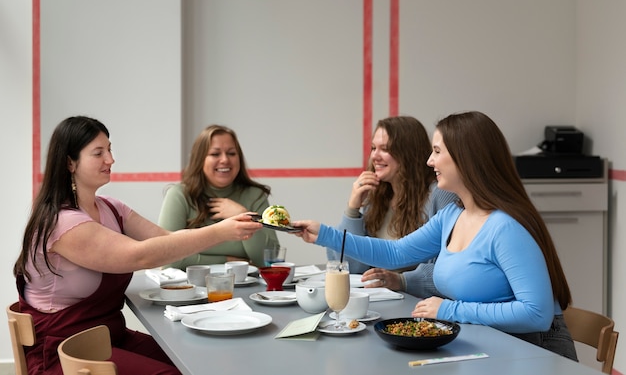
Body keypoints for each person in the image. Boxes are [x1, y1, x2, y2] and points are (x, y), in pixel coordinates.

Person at [293, 111, 577, 360]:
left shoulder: (505, 228)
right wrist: (324, 234)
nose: (429, 161)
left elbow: (537, 315)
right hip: (490, 346)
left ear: (466, 158)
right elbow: (396, 253)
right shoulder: (452, 215)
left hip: (534, 353)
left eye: (437, 151)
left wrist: (451, 310)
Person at [13, 116, 262, 375]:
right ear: (69, 162)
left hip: (108, 338)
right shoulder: (62, 223)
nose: (110, 159)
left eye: (109, 150)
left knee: (193, 360)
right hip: (63, 352)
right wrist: (219, 232)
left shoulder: (111, 208)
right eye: (99, 153)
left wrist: (223, 232)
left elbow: (166, 241)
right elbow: (140, 256)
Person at [327, 116, 456, 296]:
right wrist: (353, 209)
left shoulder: (439, 193)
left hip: (417, 302)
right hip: (380, 299)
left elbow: (451, 267)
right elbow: (352, 267)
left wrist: (403, 281)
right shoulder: (377, 197)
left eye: (385, 149)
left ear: (408, 154)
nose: (374, 156)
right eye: (373, 148)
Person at [158, 125, 280, 269]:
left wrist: (244, 216)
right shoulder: (179, 195)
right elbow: (165, 259)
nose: (224, 160)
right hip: (190, 289)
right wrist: (227, 261)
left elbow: (267, 259)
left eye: (231, 153)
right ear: (200, 159)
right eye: (215, 154)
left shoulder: (255, 196)